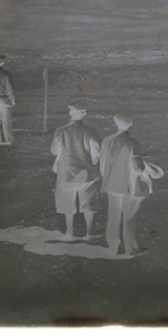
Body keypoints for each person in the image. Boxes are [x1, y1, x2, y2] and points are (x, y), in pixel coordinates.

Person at [100, 114, 158, 256]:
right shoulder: (133, 143)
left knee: (113, 215)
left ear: (116, 123)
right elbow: (138, 167)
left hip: (111, 183)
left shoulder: (107, 140)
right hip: (128, 184)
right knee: (130, 216)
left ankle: (113, 246)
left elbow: (103, 165)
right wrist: (147, 169)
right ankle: (130, 248)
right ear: (130, 125)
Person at [51, 103, 101, 239]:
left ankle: (69, 232)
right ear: (84, 114)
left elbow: (54, 151)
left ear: (70, 114)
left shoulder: (60, 131)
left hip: (67, 173)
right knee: (89, 203)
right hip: (87, 174)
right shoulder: (91, 131)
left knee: (67, 203)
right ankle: (90, 232)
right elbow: (96, 153)